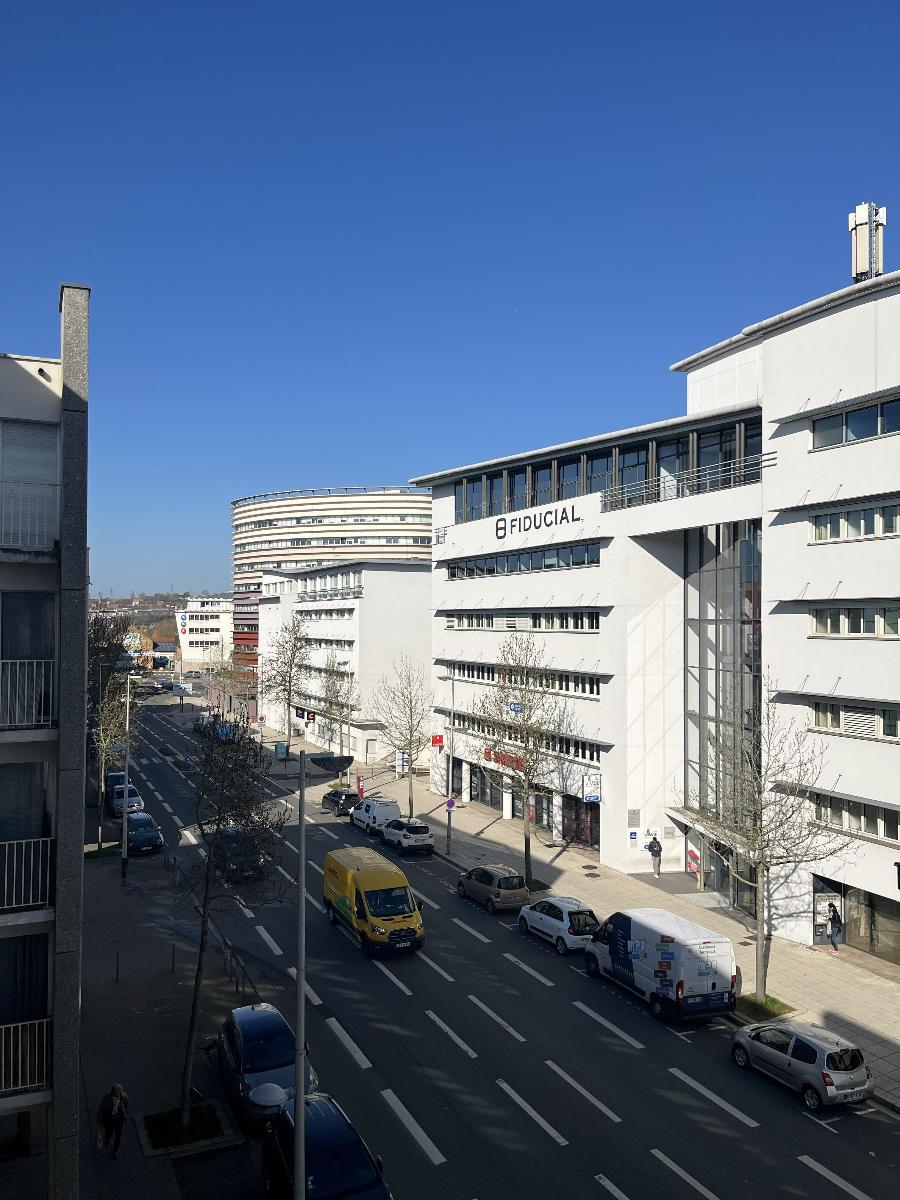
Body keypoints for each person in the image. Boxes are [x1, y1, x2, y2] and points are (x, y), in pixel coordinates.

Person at [97, 1083, 129, 1160]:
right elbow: (102, 1109)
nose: (117, 1096)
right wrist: (99, 1120)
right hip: (109, 1120)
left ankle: (115, 1150)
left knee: (118, 1135)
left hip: (119, 1120)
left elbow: (126, 1108)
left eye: (119, 1093)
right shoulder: (107, 1098)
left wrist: (124, 1115)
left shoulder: (124, 1098)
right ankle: (107, 1140)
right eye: (116, 1094)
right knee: (109, 1132)